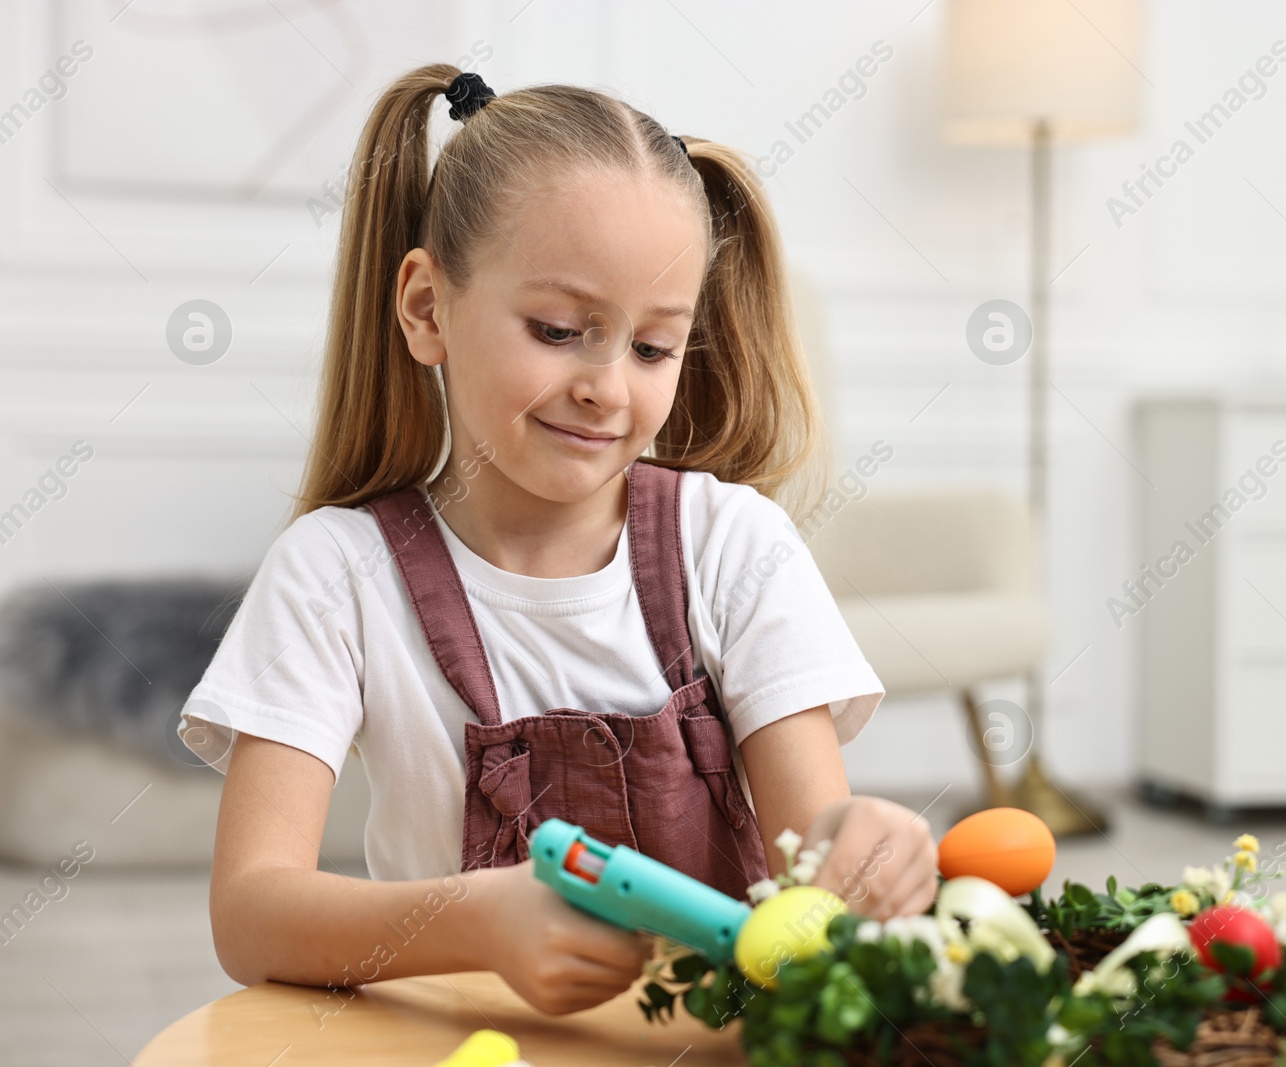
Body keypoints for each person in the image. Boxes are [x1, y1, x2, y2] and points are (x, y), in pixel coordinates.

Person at [179, 65, 938, 1017]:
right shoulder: (335, 572)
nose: (607, 386)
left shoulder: (735, 545)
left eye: (653, 347)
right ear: (426, 308)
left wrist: (863, 853)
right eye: (558, 328)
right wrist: (478, 918)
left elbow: (818, 853)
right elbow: (249, 915)